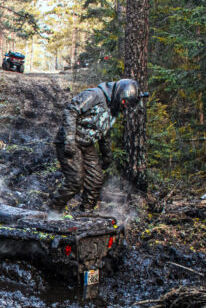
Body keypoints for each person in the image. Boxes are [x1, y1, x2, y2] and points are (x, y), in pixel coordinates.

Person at [50, 79, 144, 212]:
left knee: (96, 179)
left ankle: (85, 212)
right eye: (124, 102)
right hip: (69, 141)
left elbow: (104, 132)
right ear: (120, 93)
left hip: (87, 144)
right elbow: (71, 111)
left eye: (127, 104)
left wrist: (107, 155)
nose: (124, 106)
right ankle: (53, 211)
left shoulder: (113, 107)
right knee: (75, 180)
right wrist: (69, 139)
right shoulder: (95, 95)